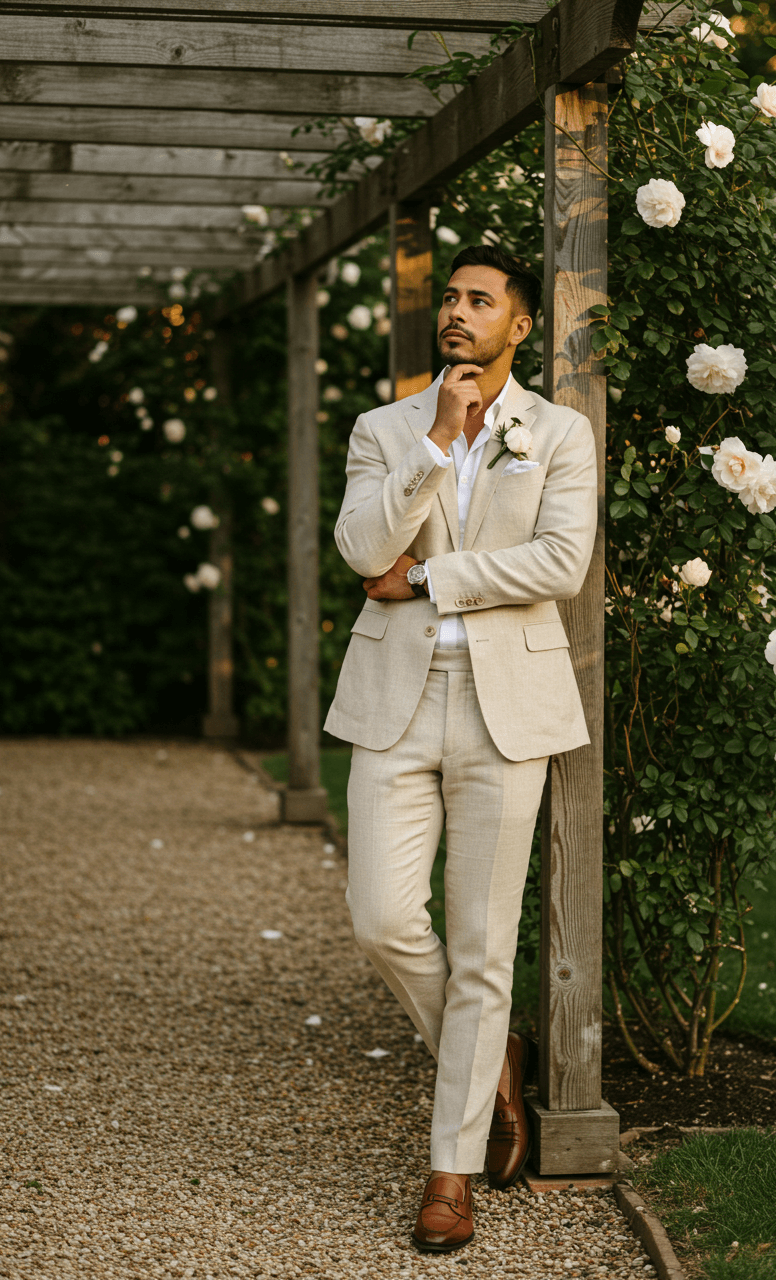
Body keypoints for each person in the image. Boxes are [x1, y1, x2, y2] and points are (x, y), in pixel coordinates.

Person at [324, 244, 597, 1252]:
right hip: (394, 697)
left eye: (480, 300)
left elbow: (560, 562)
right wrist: (433, 444)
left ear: (518, 325)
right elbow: (360, 549)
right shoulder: (383, 427)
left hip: (504, 705)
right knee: (381, 918)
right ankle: (488, 1066)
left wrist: (432, 577)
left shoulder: (558, 432)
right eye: (449, 296)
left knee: (483, 942)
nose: (457, 311)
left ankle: (450, 1169)